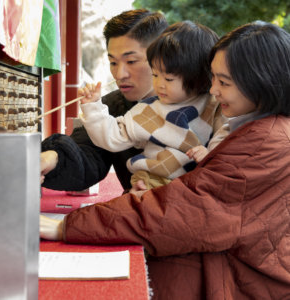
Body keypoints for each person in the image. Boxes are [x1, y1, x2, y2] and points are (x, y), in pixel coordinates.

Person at [40, 21, 290, 299]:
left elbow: (186, 208)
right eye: (112, 62)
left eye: (223, 82)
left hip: (225, 275)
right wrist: (54, 156)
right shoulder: (138, 107)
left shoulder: (255, 134)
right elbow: (92, 149)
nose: (215, 90)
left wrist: (70, 226)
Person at [78, 21, 227, 189]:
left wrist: (211, 155)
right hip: (153, 180)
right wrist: (93, 107)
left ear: (198, 76)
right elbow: (113, 137)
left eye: (169, 79)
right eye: (155, 75)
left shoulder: (214, 104)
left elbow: (227, 139)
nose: (159, 85)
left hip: (196, 183)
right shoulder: (150, 110)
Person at [40, 9, 168, 191]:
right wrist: (52, 158)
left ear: (162, 58)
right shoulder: (110, 107)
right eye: (113, 63)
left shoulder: (199, 104)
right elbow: (86, 153)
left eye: (131, 61)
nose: (119, 74)